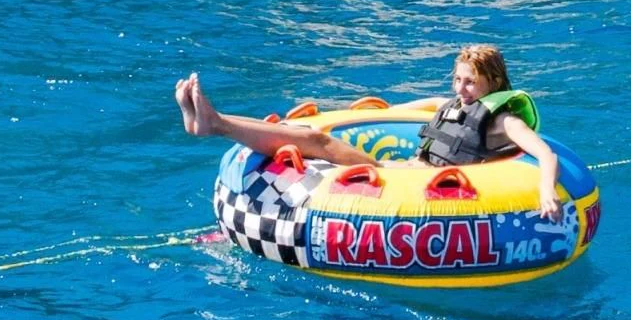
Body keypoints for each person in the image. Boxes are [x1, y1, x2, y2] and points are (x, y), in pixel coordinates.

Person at [174, 43, 561, 220]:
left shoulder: (502, 121)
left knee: (319, 142)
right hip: (400, 170)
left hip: (411, 186)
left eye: (471, 82)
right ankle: (211, 120)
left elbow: (545, 154)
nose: (461, 89)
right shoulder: (451, 104)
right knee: (307, 133)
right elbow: (396, 112)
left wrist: (546, 192)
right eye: (458, 80)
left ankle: (217, 123)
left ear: (494, 83)